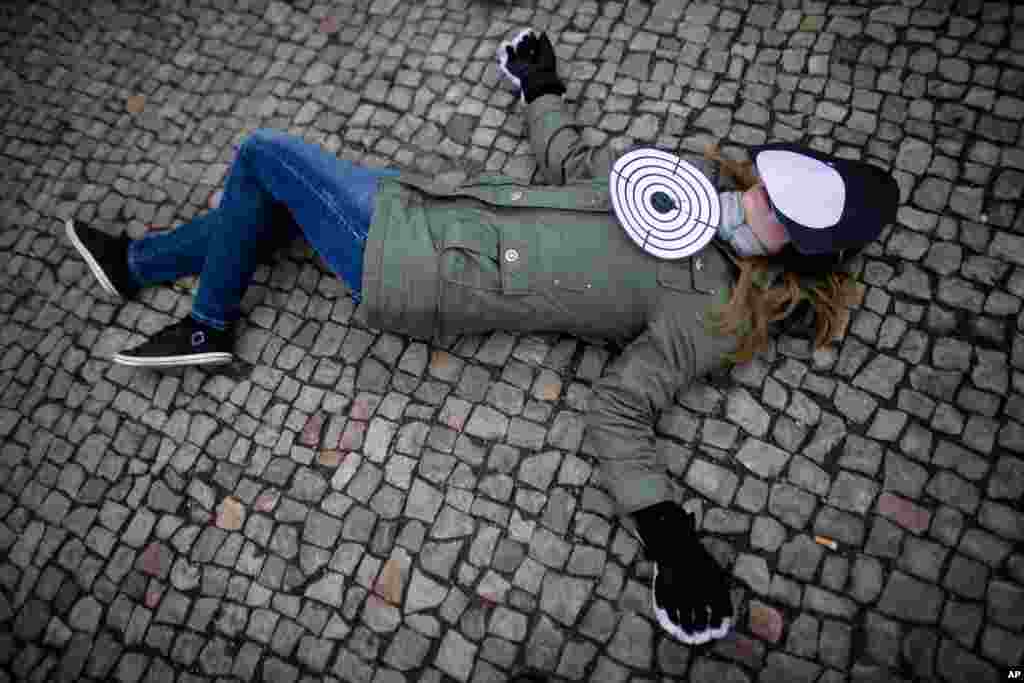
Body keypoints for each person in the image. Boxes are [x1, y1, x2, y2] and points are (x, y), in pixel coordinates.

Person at [64, 30, 899, 646]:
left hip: (423, 265)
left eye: (772, 211)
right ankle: (133, 265)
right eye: (763, 187)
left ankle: (206, 322)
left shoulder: (710, 310)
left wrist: (673, 542)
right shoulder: (692, 199)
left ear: (797, 249)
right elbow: (581, 179)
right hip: (439, 205)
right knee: (274, 204)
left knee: (265, 154)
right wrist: (541, 89)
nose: (751, 200)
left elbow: (621, 407)